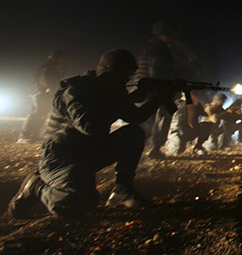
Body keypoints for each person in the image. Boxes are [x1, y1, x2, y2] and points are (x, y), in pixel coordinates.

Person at [7, 49, 171, 219]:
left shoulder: (114, 90)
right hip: (60, 159)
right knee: (74, 204)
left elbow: (135, 118)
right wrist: (126, 100)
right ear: (108, 73)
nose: (126, 80)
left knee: (133, 134)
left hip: (88, 153)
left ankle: (122, 190)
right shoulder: (75, 91)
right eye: (123, 75)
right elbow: (89, 126)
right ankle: (38, 186)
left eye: (129, 76)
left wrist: (158, 99)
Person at [133, 21, 201, 159]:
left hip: (152, 88)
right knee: (150, 120)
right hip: (153, 89)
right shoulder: (157, 47)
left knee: (152, 119)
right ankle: (144, 149)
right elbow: (158, 70)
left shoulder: (157, 46)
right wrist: (170, 85)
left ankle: (147, 149)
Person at [18, 51, 66, 143]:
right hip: (42, 93)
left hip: (46, 93)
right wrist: (47, 88)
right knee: (36, 114)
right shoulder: (46, 67)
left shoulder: (51, 67)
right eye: (60, 58)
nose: (62, 60)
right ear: (54, 57)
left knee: (42, 115)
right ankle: (24, 136)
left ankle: (34, 135)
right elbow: (45, 80)